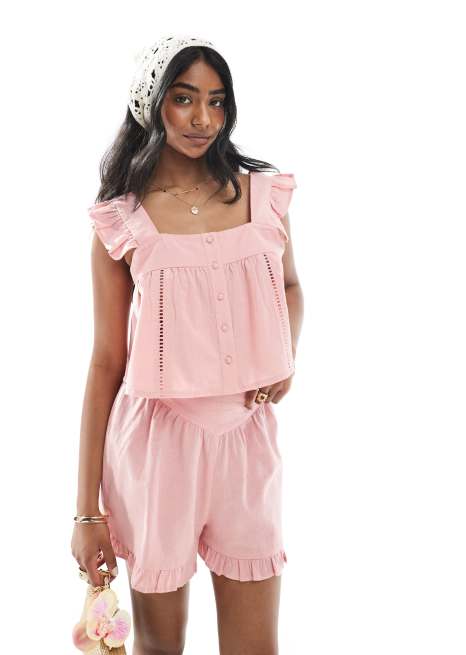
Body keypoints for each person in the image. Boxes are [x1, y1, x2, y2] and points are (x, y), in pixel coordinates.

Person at [71, 33, 304, 655]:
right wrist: (86, 512)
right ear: (151, 106)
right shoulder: (123, 219)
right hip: (155, 446)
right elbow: (106, 363)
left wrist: (284, 356)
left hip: (247, 438)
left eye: (216, 100)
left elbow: (289, 285)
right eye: (184, 98)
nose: (203, 118)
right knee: (158, 648)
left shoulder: (263, 196)